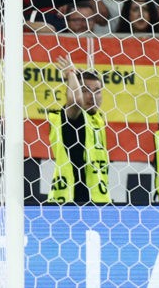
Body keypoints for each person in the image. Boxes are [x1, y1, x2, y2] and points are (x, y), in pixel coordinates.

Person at [46, 55, 111, 204]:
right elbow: (76, 102)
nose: (92, 96)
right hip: (71, 201)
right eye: (85, 90)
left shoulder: (98, 120)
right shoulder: (72, 117)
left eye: (97, 91)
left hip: (97, 201)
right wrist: (71, 74)